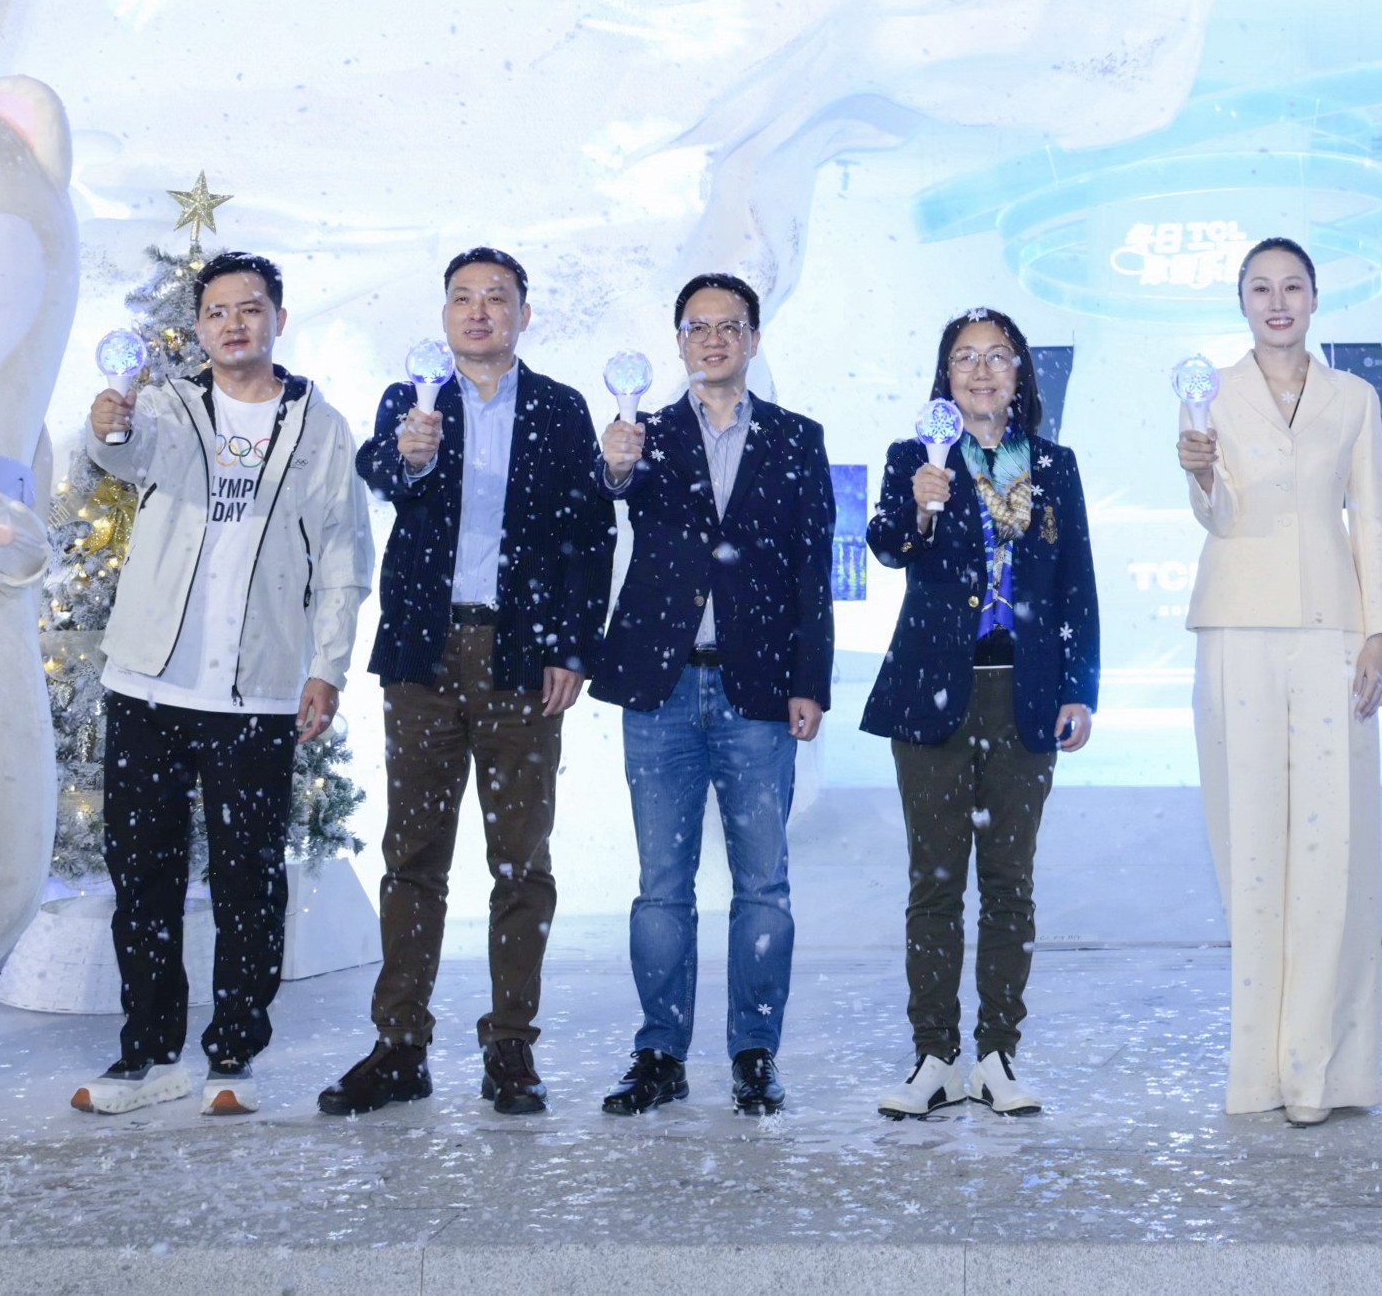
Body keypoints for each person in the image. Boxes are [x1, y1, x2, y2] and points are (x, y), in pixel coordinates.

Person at [65, 249, 374, 1117]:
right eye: (216, 312)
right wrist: (107, 427)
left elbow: (343, 555)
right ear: (198, 328)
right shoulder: (167, 405)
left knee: (248, 883)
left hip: (259, 694)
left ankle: (234, 1052)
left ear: (278, 318)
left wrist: (326, 667)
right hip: (149, 685)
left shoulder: (320, 427)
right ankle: (147, 1053)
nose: (233, 324)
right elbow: (124, 456)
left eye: (249, 308)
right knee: (144, 881)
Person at [319, 247, 615, 1121]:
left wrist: (571, 648)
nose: (478, 311)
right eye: (462, 298)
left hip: (522, 658)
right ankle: (400, 1045)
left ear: (525, 313)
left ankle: (510, 1045)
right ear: (444, 315)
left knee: (521, 861)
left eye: (496, 297)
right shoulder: (411, 400)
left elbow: (589, 534)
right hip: (424, 657)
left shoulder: (560, 408)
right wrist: (407, 458)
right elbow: (376, 473)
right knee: (412, 857)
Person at [591, 271, 835, 1118]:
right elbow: (606, 496)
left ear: (754, 340)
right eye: (697, 327)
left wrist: (810, 683)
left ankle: (754, 1052)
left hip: (757, 690)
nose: (714, 339)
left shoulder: (797, 439)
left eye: (729, 326)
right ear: (678, 343)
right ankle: (659, 1051)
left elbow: (811, 570)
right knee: (662, 885)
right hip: (659, 687)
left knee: (762, 885)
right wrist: (613, 470)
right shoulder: (641, 435)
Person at [1177, 234, 1382, 1124]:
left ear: (1314, 299)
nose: (1277, 303)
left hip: (1332, 628)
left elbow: (1369, 516)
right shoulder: (1210, 391)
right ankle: (1257, 1072)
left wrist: (1379, 631)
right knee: (1250, 843)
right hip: (1236, 623)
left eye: (1292, 287)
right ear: (1240, 302)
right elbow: (1218, 515)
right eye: (1261, 288)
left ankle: (1320, 1071)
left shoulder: (1354, 397)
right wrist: (1200, 477)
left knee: (1332, 846)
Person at [863, 306, 1101, 1119]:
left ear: (1019, 373)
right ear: (946, 376)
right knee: (933, 885)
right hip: (931, 692)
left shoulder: (1054, 465)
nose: (981, 371)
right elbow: (887, 546)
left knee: (1008, 883)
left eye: (997, 356)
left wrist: (1079, 687)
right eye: (964, 357)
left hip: (1023, 694)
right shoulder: (914, 457)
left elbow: (1075, 582)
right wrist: (920, 508)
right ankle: (934, 1056)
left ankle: (998, 1054)